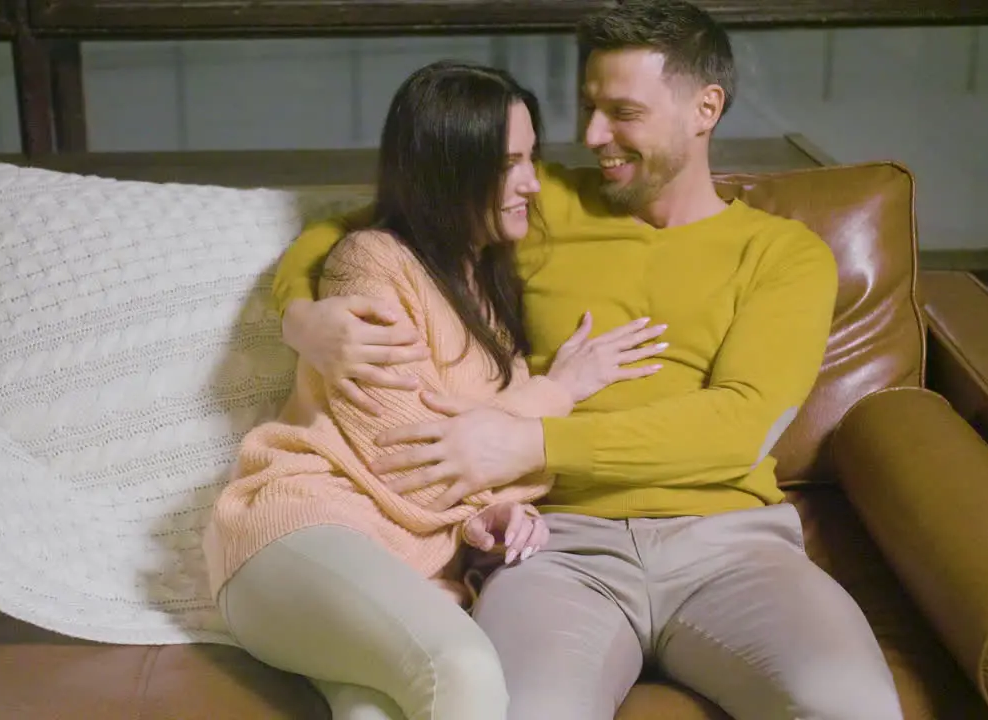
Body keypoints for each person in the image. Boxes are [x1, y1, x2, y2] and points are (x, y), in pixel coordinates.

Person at [269, 2, 907, 720]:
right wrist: (300, 316)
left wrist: (534, 439)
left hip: (731, 544)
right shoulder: (545, 206)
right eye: (589, 108)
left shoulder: (783, 255)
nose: (595, 137)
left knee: (854, 708)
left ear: (706, 107)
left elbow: (743, 426)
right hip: (554, 547)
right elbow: (351, 227)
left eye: (624, 112)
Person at [202, 60, 667, 720]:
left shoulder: (486, 285)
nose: (534, 185)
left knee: (378, 712)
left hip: (402, 570)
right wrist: (552, 394)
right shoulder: (372, 265)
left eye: (533, 158)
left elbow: (471, 469)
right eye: (512, 163)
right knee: (464, 668)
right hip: (299, 532)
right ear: (450, 169)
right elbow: (412, 457)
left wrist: (494, 514)